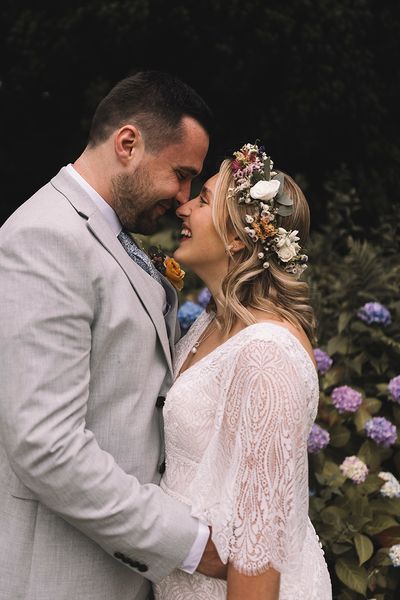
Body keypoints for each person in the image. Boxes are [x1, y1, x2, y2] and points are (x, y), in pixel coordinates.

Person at [0, 70, 225, 600]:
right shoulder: (45, 238)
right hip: (59, 577)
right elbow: (46, 445)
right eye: (181, 174)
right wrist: (189, 543)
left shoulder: (106, 232)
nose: (184, 198)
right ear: (128, 143)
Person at [153, 143, 333, 599]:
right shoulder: (213, 323)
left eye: (203, 198)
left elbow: (260, 545)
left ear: (237, 237)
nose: (184, 205)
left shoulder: (268, 353)